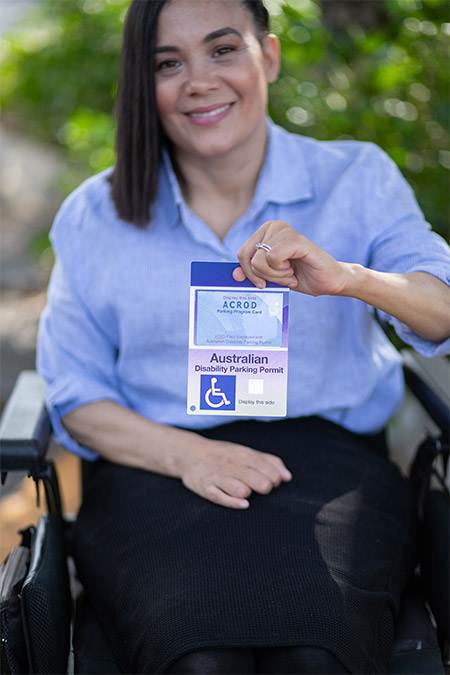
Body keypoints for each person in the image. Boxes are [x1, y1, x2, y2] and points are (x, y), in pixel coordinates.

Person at [36, 0, 450, 673]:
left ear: (271, 56)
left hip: (334, 463)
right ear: (146, 83)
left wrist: (350, 278)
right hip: (154, 468)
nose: (199, 80)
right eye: (169, 63)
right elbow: (75, 393)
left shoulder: (356, 178)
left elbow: (443, 309)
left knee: (316, 653)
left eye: (223, 49)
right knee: (200, 657)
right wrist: (185, 455)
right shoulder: (94, 215)